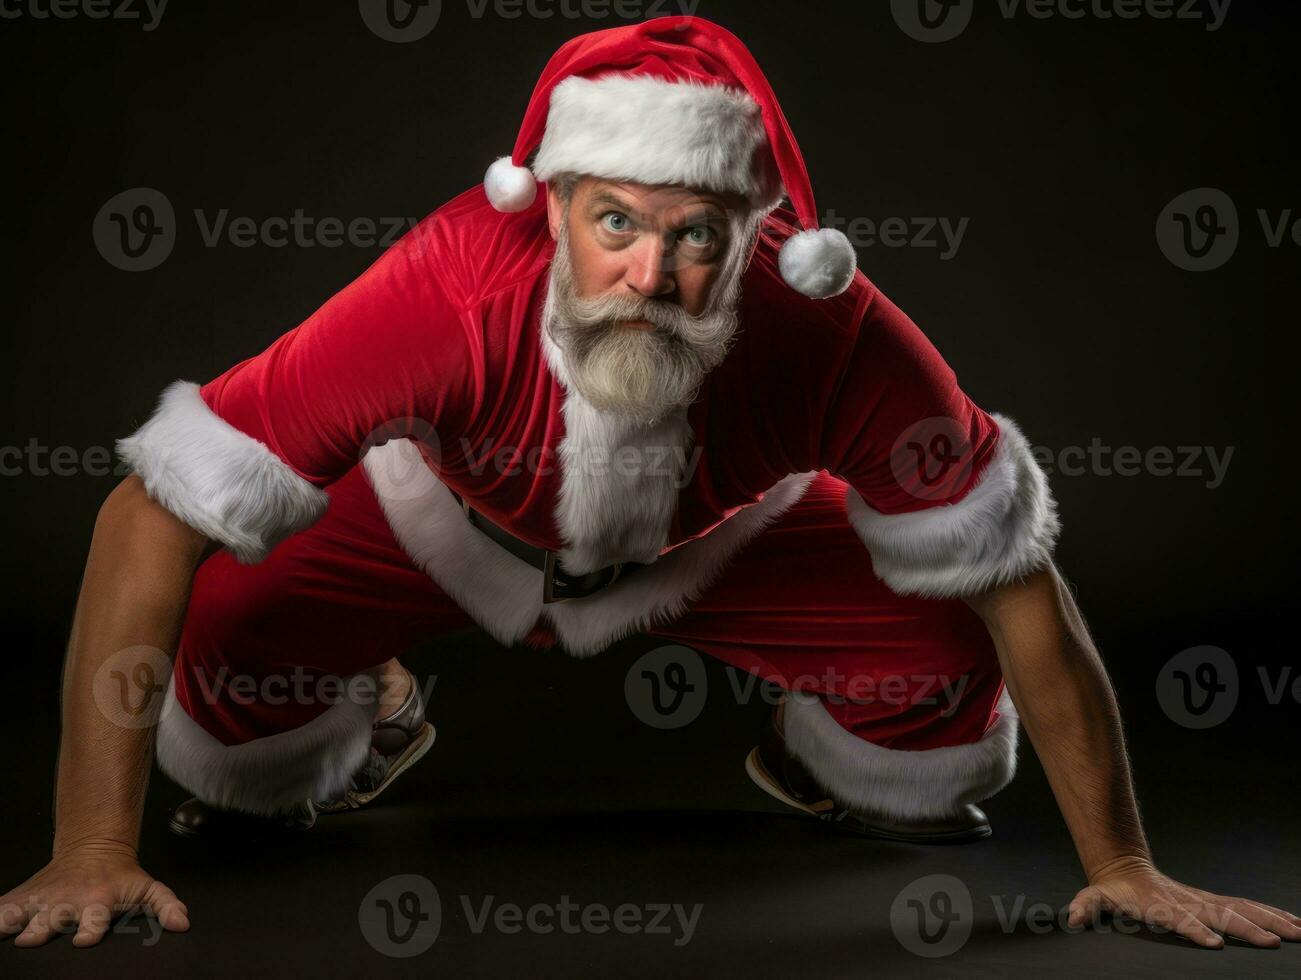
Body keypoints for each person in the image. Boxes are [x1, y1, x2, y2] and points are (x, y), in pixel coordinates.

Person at [4, 15, 1297, 952]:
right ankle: (375, 702)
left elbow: (1015, 584)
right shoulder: (446, 289)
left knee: (944, 692)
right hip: (435, 523)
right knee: (227, 696)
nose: (649, 273)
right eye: (613, 222)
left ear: (757, 238)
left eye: (695, 237)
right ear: (551, 206)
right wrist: (93, 848)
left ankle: (809, 757)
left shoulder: (831, 328)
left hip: (710, 543)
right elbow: (148, 513)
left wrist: (1123, 863)